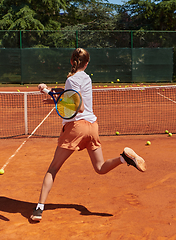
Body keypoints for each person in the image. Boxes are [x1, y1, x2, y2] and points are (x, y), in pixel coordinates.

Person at [30, 48, 146, 222]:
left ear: (71, 62)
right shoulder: (87, 78)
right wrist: (51, 92)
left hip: (76, 127)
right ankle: (124, 158)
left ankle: (39, 208)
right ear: (86, 63)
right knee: (100, 168)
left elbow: (79, 106)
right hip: (92, 127)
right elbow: (71, 93)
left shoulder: (71, 79)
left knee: (53, 169)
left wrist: (50, 93)